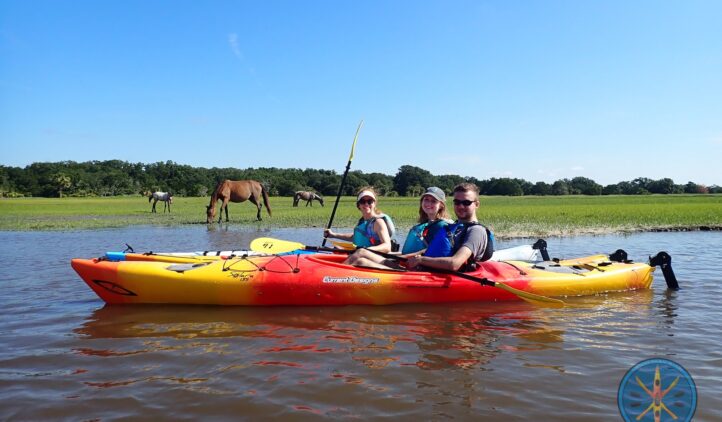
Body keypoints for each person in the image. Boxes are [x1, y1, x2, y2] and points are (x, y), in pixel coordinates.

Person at [345, 186, 451, 269]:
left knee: (361, 256)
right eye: (426, 200)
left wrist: (401, 258)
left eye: (433, 201)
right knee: (361, 257)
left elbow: (430, 250)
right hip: (404, 263)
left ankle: (332, 278)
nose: (428, 203)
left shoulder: (441, 226)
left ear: (441, 205)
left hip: (413, 269)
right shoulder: (426, 224)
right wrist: (394, 255)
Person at [406, 182, 494, 272]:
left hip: (452, 280)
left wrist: (420, 260)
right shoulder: (454, 227)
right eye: (457, 202)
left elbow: (454, 263)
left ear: (476, 204)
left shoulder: (476, 231)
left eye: (466, 202)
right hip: (430, 274)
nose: (461, 206)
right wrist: (405, 257)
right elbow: (429, 250)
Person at [323, 187, 396, 255]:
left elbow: (387, 246)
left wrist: (365, 250)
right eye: (363, 201)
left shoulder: (378, 222)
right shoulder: (362, 221)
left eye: (370, 201)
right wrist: (333, 235)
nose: (366, 204)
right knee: (334, 248)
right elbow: (356, 237)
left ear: (374, 203)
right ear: (358, 205)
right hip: (360, 254)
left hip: (372, 258)